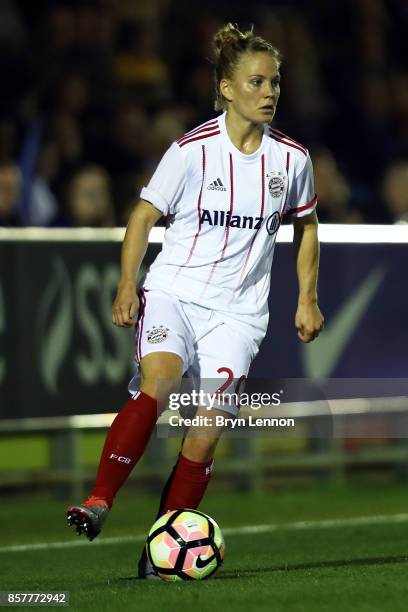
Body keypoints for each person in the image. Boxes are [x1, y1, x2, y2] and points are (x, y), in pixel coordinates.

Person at [66, 23, 324, 578]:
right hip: (176, 293)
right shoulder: (191, 151)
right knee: (159, 383)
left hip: (239, 313)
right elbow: (142, 216)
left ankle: (159, 554)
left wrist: (307, 298)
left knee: (205, 432)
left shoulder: (293, 160)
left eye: (275, 82)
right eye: (257, 81)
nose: (270, 92)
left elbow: (307, 228)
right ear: (227, 88)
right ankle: (100, 499)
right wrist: (126, 283)